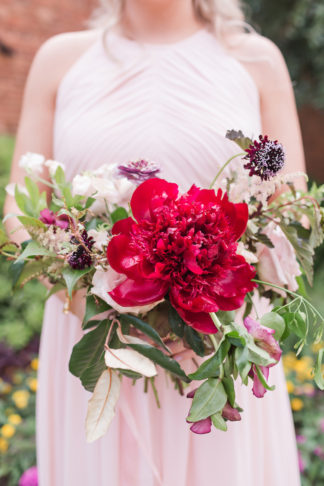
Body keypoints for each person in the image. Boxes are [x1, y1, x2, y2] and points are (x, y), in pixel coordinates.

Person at [4, 0, 306, 484]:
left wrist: (206, 313)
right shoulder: (59, 60)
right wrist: (94, 298)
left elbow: (289, 212)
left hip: (214, 351)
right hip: (97, 341)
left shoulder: (258, 61)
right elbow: (19, 211)